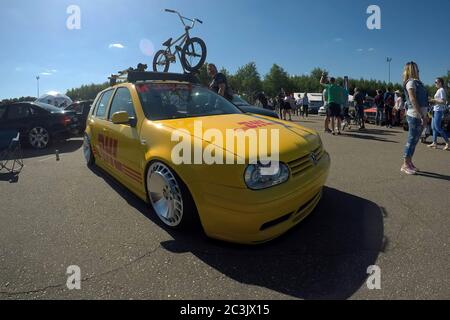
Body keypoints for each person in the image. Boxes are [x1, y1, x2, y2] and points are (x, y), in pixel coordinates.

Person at [401, 61, 429, 175]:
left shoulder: (418, 83)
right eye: (416, 69)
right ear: (412, 70)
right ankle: (405, 164)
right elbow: (412, 99)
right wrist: (422, 115)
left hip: (420, 115)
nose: (418, 71)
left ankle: (409, 162)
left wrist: (425, 115)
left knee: (415, 140)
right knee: (412, 140)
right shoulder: (411, 83)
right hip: (414, 115)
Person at [428, 77, 449, 150]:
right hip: (435, 110)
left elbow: (443, 101)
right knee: (433, 128)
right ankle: (434, 143)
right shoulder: (439, 90)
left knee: (438, 127)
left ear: (440, 83)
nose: (435, 84)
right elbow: (438, 101)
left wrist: (433, 100)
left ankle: (448, 142)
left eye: (436, 82)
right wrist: (432, 100)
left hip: (438, 111)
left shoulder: (441, 90)